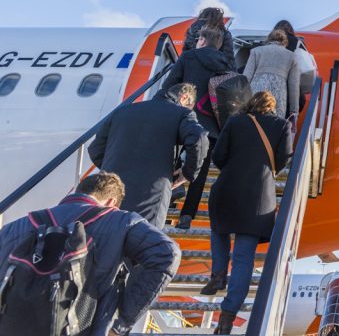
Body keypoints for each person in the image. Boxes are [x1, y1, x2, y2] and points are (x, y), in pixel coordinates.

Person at [0, 172, 180, 336]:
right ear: (111, 203)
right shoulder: (121, 221)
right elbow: (167, 254)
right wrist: (121, 324)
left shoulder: (14, 227)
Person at [202, 92, 293, 334]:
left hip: (228, 187)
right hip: (259, 196)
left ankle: (218, 274)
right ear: (273, 107)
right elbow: (283, 159)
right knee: (244, 258)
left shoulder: (235, 121)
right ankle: (227, 317)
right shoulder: (282, 126)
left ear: (251, 104)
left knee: (219, 230)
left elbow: (218, 156)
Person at [88, 83, 208, 228]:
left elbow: (95, 148)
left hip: (110, 191)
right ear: (184, 97)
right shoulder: (182, 113)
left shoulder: (122, 110)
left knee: (105, 236)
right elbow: (199, 138)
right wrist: (187, 173)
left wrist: (114, 168)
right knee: (143, 238)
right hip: (150, 195)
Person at [163, 27, 233, 228]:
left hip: (184, 118)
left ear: (202, 40)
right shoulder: (226, 64)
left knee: (172, 158)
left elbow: (170, 85)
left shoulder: (189, 57)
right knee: (200, 170)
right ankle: (187, 215)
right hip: (212, 126)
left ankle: (168, 197)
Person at [243, 29, 300, 119]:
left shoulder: (256, 51)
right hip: (278, 94)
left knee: (253, 120)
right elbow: (294, 86)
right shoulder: (292, 56)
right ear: (285, 42)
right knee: (275, 122)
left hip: (257, 92)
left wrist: (241, 102)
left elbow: (246, 77)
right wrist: (294, 110)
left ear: (268, 39)